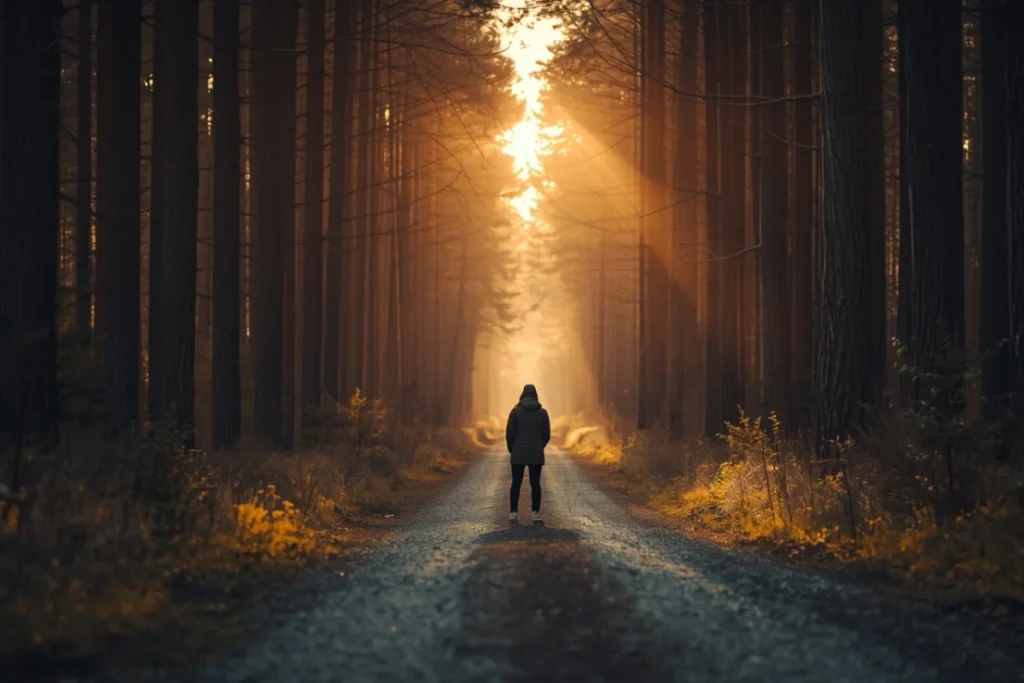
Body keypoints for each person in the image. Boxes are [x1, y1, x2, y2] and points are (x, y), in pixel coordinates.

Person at [505, 384, 551, 523]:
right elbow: (546, 434)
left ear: (522, 395)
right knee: (535, 483)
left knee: (516, 483)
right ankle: (535, 513)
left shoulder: (515, 411)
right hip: (536, 453)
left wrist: (512, 449)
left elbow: (509, 433)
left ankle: (513, 512)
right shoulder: (542, 412)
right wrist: (539, 446)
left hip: (518, 452)